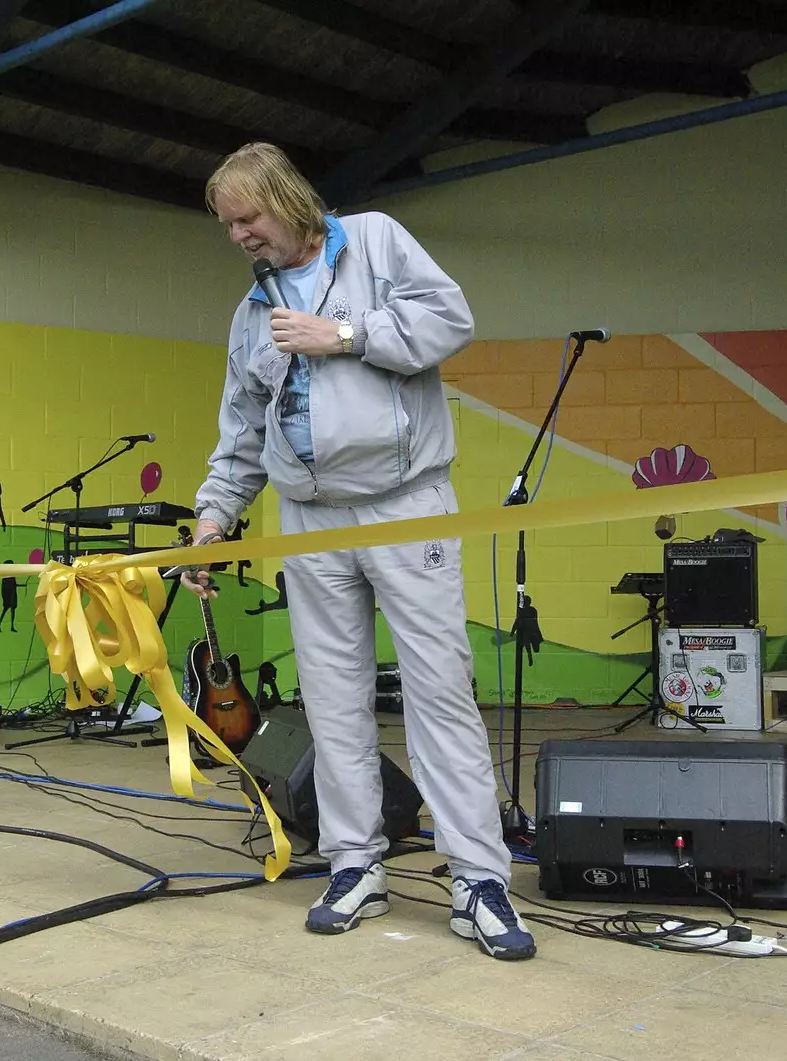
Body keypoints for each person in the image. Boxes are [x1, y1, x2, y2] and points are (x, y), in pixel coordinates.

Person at [184, 142, 533, 961]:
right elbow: (240, 435)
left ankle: (478, 878)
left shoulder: (374, 241)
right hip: (308, 521)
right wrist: (211, 523)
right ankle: (354, 865)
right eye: (228, 225)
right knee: (333, 699)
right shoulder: (248, 317)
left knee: (438, 690)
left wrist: (340, 333)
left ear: (287, 201)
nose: (238, 236)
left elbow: (452, 320)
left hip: (404, 506)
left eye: (248, 218)